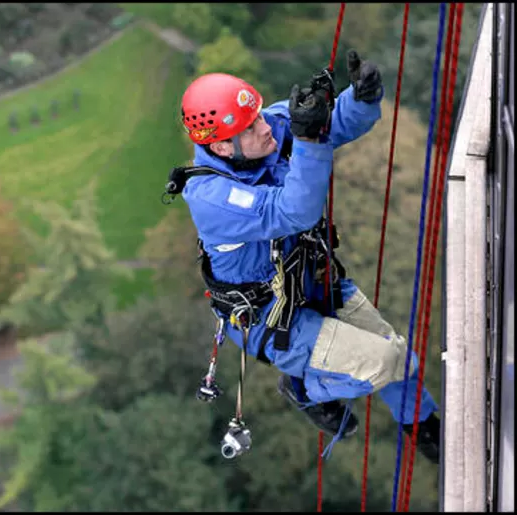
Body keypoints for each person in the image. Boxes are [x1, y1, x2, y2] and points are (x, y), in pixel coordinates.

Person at [172, 50, 441, 463]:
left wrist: (361, 97)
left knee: (401, 358)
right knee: (382, 361)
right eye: (252, 126)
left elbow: (334, 126)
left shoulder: (262, 134)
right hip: (275, 320)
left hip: (314, 281)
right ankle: (303, 388)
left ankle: (429, 432)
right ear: (224, 147)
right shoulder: (212, 198)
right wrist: (310, 140)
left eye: (261, 115)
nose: (267, 128)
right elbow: (294, 211)